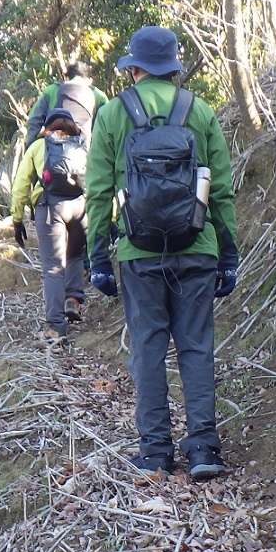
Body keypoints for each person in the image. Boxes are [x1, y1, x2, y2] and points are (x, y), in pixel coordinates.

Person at [84, 26, 240, 481]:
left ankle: (154, 452)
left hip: (138, 252)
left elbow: (97, 194)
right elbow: (223, 193)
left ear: (133, 69)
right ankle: (204, 449)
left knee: (148, 348)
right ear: (173, 68)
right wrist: (228, 255)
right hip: (198, 247)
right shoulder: (201, 111)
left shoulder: (112, 115)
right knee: (196, 347)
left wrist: (98, 258)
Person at [10, 108, 89, 342]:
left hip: (50, 208)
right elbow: (94, 180)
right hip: (80, 207)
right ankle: (73, 300)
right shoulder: (82, 145)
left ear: (47, 127)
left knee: (53, 267)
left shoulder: (38, 147)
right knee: (75, 255)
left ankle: (55, 325)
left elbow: (21, 185)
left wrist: (17, 219)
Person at [24, 60, 109, 143]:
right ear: (90, 80)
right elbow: (108, 126)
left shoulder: (52, 90)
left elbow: (34, 120)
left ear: (66, 78)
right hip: (83, 148)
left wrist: (32, 144)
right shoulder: (99, 96)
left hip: (53, 147)